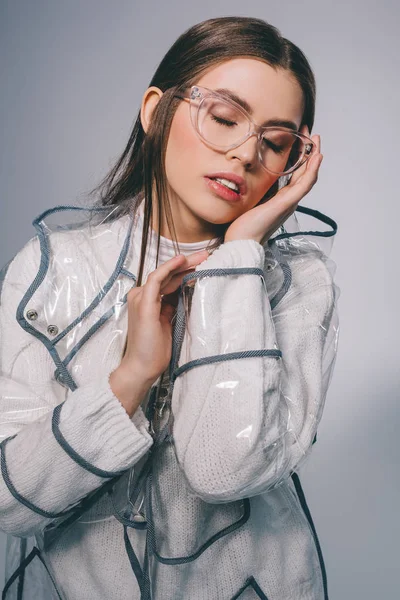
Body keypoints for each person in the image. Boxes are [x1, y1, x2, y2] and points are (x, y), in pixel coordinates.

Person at [0, 15, 339, 600]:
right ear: (156, 111)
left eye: (276, 142)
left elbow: (222, 470)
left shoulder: (298, 283)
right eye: (226, 119)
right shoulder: (54, 268)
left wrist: (240, 256)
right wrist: (130, 379)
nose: (244, 153)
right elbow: (10, 500)